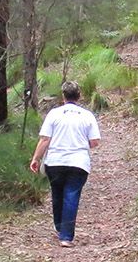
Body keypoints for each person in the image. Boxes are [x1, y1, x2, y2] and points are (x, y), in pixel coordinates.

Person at [28, 81, 101, 247]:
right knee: (71, 195)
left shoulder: (54, 114)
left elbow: (45, 139)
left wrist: (36, 158)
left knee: (57, 194)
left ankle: (60, 227)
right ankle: (66, 236)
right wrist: (82, 144)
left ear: (63, 96)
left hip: (55, 161)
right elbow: (95, 141)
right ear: (79, 95)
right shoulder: (87, 115)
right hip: (79, 162)